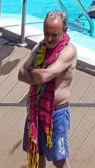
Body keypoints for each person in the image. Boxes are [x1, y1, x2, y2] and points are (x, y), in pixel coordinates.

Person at [19, 10, 77, 167]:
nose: (49, 39)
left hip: (56, 114)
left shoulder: (68, 51)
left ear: (64, 31)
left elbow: (45, 76)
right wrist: (38, 74)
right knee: (36, 154)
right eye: (46, 33)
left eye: (54, 34)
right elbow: (21, 73)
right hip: (35, 110)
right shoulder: (40, 47)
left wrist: (33, 71)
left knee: (59, 160)